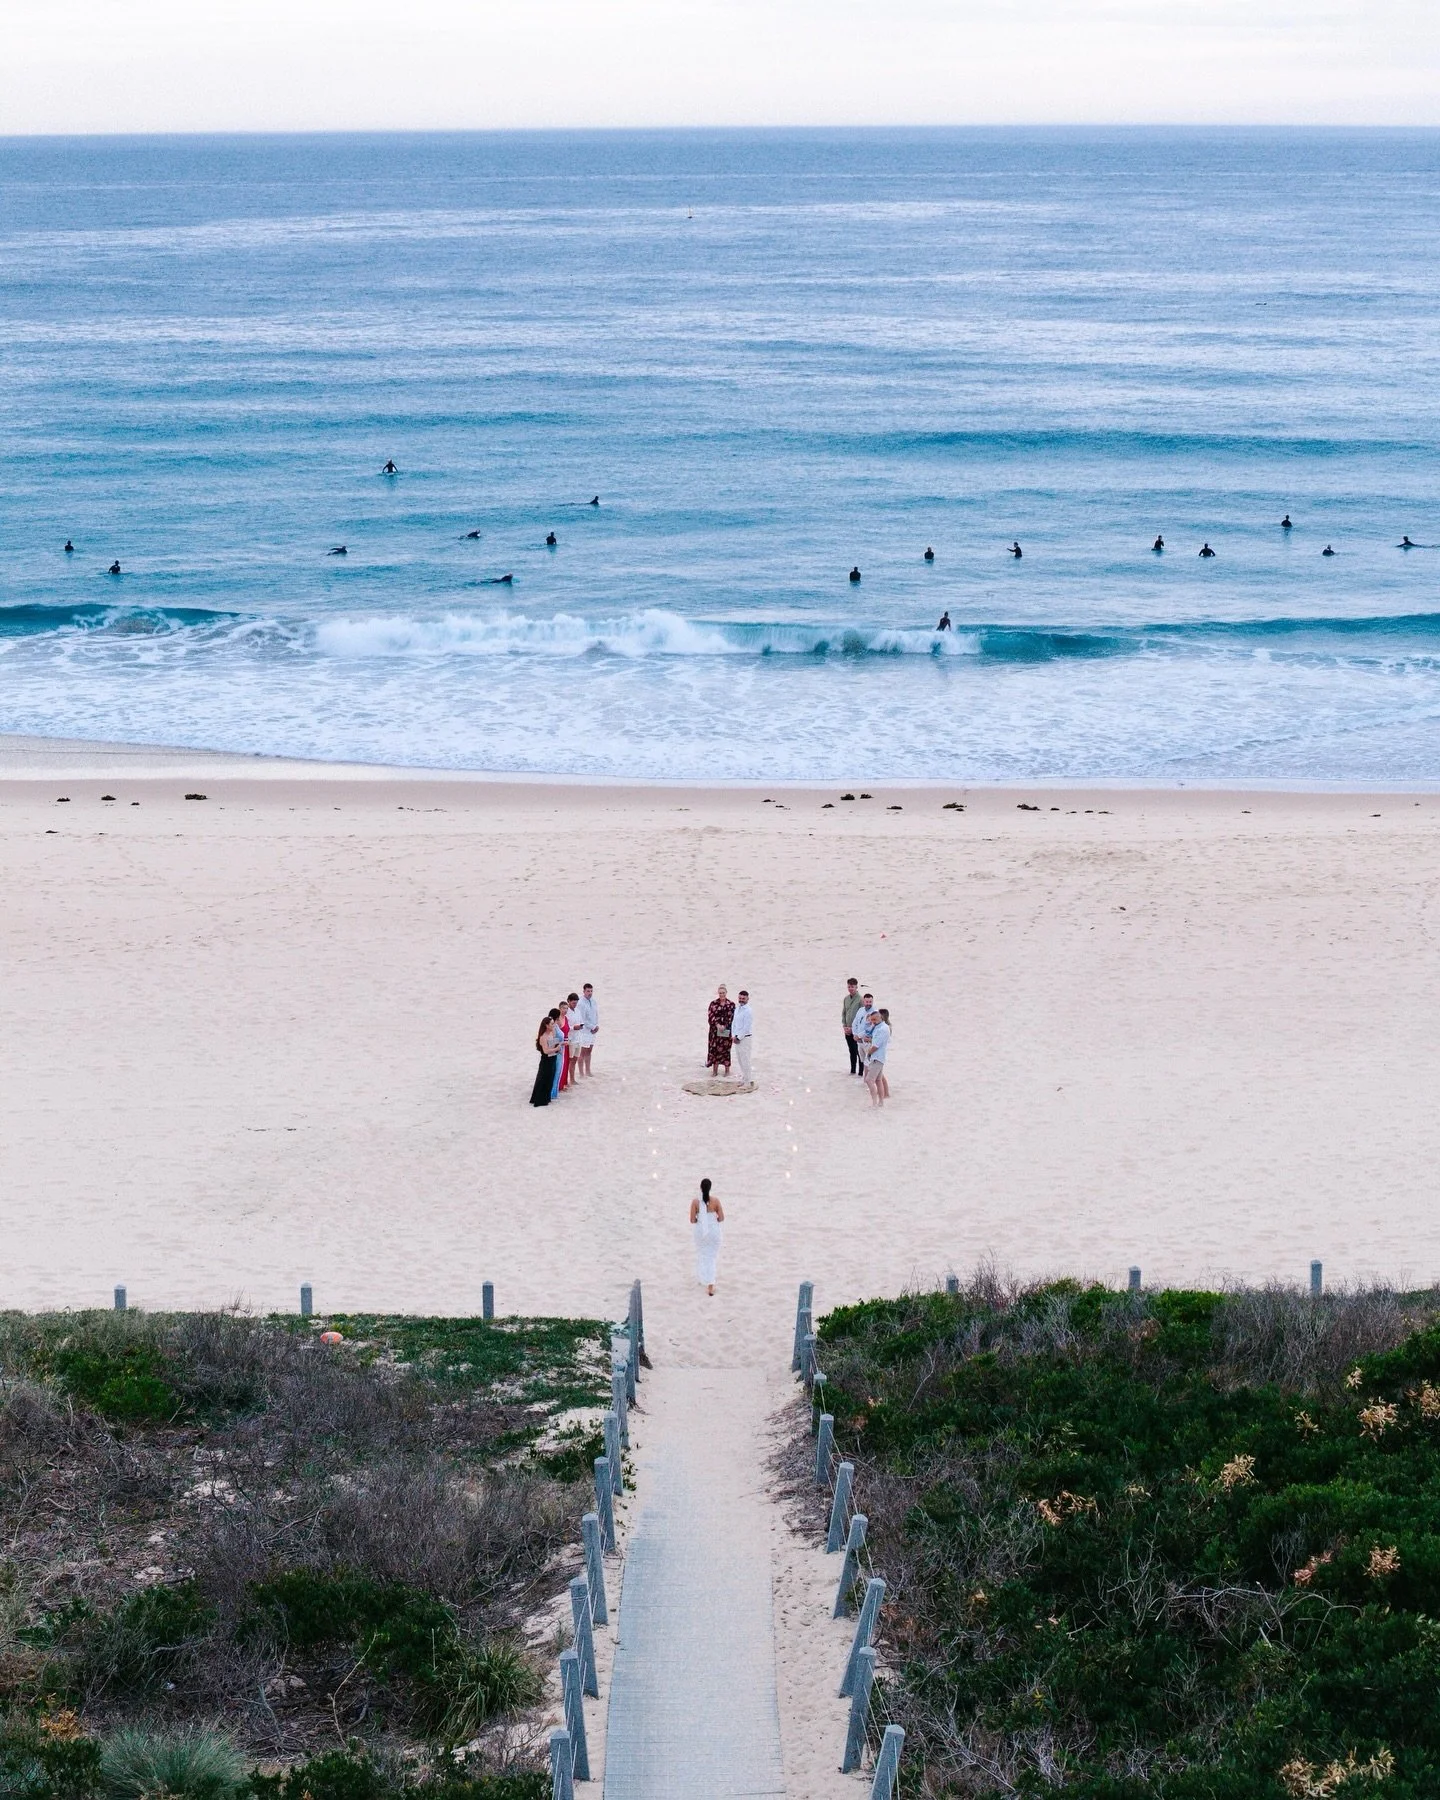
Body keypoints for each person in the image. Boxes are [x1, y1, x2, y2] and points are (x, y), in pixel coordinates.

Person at [690, 1178, 725, 1295]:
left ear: (700, 1188)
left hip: (701, 1233)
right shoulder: (716, 1201)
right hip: (714, 1232)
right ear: (710, 1188)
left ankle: (704, 1279)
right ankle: (710, 1286)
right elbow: (721, 1218)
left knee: (702, 1255)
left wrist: (701, 1220)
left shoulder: (695, 1202)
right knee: (711, 1258)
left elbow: (692, 1220)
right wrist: (711, 1220)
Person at [530, 1012, 560, 1106]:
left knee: (550, 1079)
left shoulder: (551, 1033)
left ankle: (546, 1098)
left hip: (552, 1059)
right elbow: (546, 1051)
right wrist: (556, 1049)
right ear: (546, 1025)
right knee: (543, 1079)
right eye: (551, 1024)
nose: (553, 1025)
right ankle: (540, 1100)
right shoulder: (543, 1037)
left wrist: (558, 1046)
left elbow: (553, 1043)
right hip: (546, 1061)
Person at [865, 1007, 892, 1106]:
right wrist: (869, 1022)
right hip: (878, 1057)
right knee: (878, 1080)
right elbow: (868, 1031)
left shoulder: (882, 1029)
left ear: (880, 1018)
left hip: (877, 1058)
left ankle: (874, 1102)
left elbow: (876, 1046)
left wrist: (869, 1053)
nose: (873, 1022)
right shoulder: (878, 1026)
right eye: (872, 1020)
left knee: (869, 1080)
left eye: (874, 1020)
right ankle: (880, 1102)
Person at [707, 985, 735, 1077]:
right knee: (715, 1050)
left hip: (726, 1031)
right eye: (720, 993)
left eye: (723, 993)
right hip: (715, 1031)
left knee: (726, 1050)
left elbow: (733, 1018)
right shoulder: (713, 1003)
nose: (721, 994)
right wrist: (717, 1025)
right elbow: (710, 1016)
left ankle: (727, 1071)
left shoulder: (731, 1004)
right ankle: (715, 1071)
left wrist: (725, 1026)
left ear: (726, 993)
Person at [571, 983, 598, 1077]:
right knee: (583, 1051)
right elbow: (583, 1019)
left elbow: (596, 1015)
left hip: (593, 1030)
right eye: (588, 991)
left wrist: (596, 1026)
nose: (590, 993)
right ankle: (581, 1073)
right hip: (584, 1030)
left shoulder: (593, 1001)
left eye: (591, 991)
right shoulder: (581, 1003)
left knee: (589, 1050)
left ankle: (588, 1071)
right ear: (584, 991)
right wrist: (592, 1027)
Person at [842, 977, 864, 1075]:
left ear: (856, 987)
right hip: (847, 1029)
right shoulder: (846, 999)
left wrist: (853, 1029)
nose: (850, 988)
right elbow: (844, 1013)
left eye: (852, 987)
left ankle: (860, 1073)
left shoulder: (860, 999)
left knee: (859, 1052)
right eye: (849, 986)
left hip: (857, 1031)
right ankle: (852, 1071)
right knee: (851, 1051)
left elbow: (862, 1016)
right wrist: (845, 1026)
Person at [731, 990, 754, 1083]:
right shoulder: (737, 1009)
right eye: (740, 998)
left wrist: (739, 1037)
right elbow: (734, 1023)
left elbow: (746, 1026)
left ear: (747, 999)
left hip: (745, 1038)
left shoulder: (748, 1011)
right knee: (740, 1059)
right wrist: (733, 1036)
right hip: (736, 1037)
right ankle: (744, 1078)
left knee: (745, 1060)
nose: (741, 1000)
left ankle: (748, 1080)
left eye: (743, 999)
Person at [853, 994, 876, 1076]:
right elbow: (855, 1023)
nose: (869, 1003)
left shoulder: (874, 1013)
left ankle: (869, 1082)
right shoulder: (860, 1010)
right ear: (863, 1001)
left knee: (868, 1063)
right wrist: (855, 1034)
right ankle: (864, 1081)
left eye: (870, 1002)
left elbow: (870, 1028)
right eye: (867, 1002)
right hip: (859, 1041)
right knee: (862, 1061)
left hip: (868, 1041)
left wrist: (859, 1036)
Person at [554, 999, 572, 1096]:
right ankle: (559, 1085)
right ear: (559, 1008)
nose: (565, 1010)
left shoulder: (567, 1019)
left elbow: (568, 1031)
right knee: (560, 1065)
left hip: (567, 1044)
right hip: (560, 1044)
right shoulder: (557, 1020)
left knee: (566, 1064)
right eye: (563, 1008)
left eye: (566, 1008)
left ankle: (564, 1083)